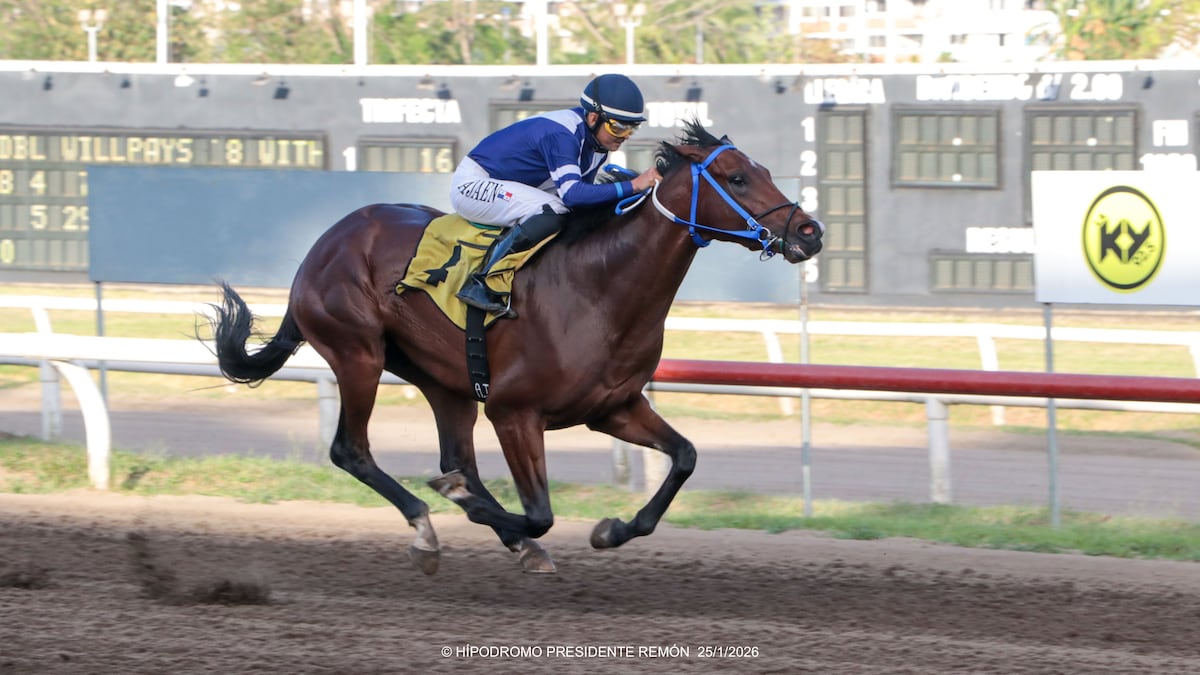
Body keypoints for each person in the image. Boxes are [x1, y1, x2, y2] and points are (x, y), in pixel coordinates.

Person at [449, 73, 663, 314]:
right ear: (593, 117)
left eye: (631, 129)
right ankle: (481, 283)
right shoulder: (563, 134)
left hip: (508, 187)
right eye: (618, 127)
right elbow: (572, 195)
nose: (624, 136)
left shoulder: (599, 145)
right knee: (554, 209)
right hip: (473, 184)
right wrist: (634, 185)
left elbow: (583, 203)